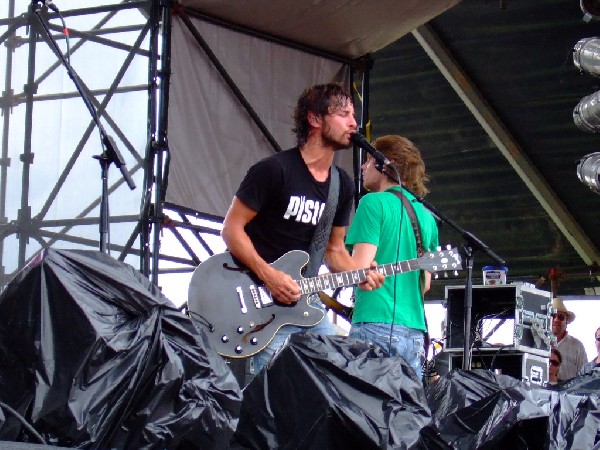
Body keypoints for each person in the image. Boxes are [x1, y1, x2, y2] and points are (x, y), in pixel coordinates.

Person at [221, 82, 384, 375]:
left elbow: (334, 251)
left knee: (334, 376)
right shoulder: (274, 170)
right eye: (343, 113)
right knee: (271, 390)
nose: (353, 122)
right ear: (315, 119)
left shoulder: (342, 184)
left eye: (353, 115)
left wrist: (359, 274)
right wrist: (268, 275)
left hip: (304, 302)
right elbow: (231, 230)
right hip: (257, 300)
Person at [345, 135, 439, 380]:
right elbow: (425, 284)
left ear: (386, 163)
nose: (363, 167)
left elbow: (359, 270)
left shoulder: (372, 204)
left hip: (374, 324)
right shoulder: (427, 216)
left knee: (364, 410)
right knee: (402, 413)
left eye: (367, 161)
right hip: (414, 333)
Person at [551, 297, 587, 381]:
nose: (556, 320)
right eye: (553, 315)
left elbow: (584, 376)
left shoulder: (577, 346)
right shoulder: (537, 342)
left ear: (567, 321)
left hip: (568, 393)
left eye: (560, 317)